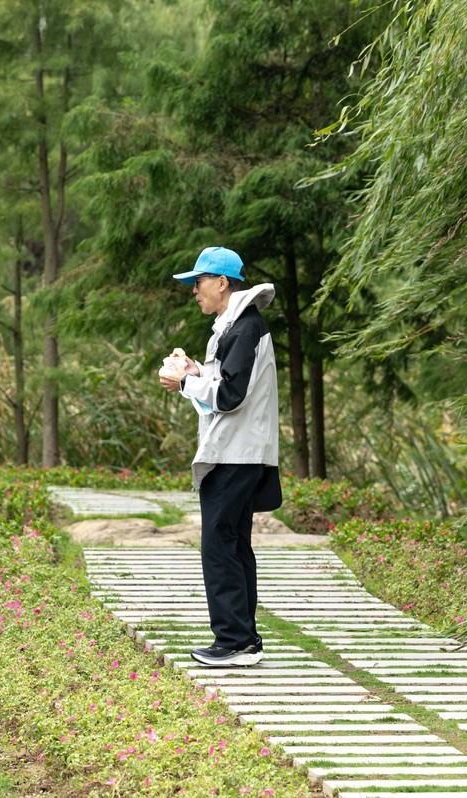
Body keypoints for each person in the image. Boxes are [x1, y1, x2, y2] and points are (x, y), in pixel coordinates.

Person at [160, 246, 281, 667]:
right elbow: (228, 383)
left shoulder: (245, 327)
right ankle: (242, 639)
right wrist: (194, 372)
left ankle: (234, 642)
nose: (195, 291)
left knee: (218, 546)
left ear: (222, 282)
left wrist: (183, 384)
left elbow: (229, 396)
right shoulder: (235, 326)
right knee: (233, 546)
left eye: (199, 283)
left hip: (236, 453)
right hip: (240, 451)